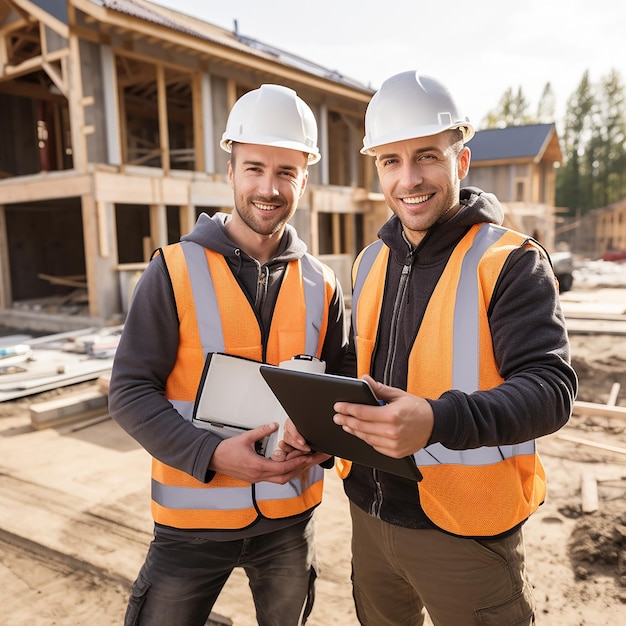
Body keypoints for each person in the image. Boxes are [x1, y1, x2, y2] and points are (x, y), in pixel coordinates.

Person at [319, 71, 577, 625]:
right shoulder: (369, 262)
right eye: (391, 160)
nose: (408, 178)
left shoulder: (509, 261)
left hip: (466, 531)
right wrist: (315, 419)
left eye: (426, 157)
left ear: (460, 162)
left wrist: (437, 420)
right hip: (369, 513)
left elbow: (550, 391)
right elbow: (355, 368)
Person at [108, 83, 347, 626]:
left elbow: (338, 390)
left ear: (304, 176)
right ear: (231, 169)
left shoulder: (323, 284)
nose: (269, 187)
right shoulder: (172, 270)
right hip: (192, 522)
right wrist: (212, 455)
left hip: (290, 518)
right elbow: (127, 393)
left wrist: (320, 446)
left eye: (287, 171)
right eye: (255, 168)